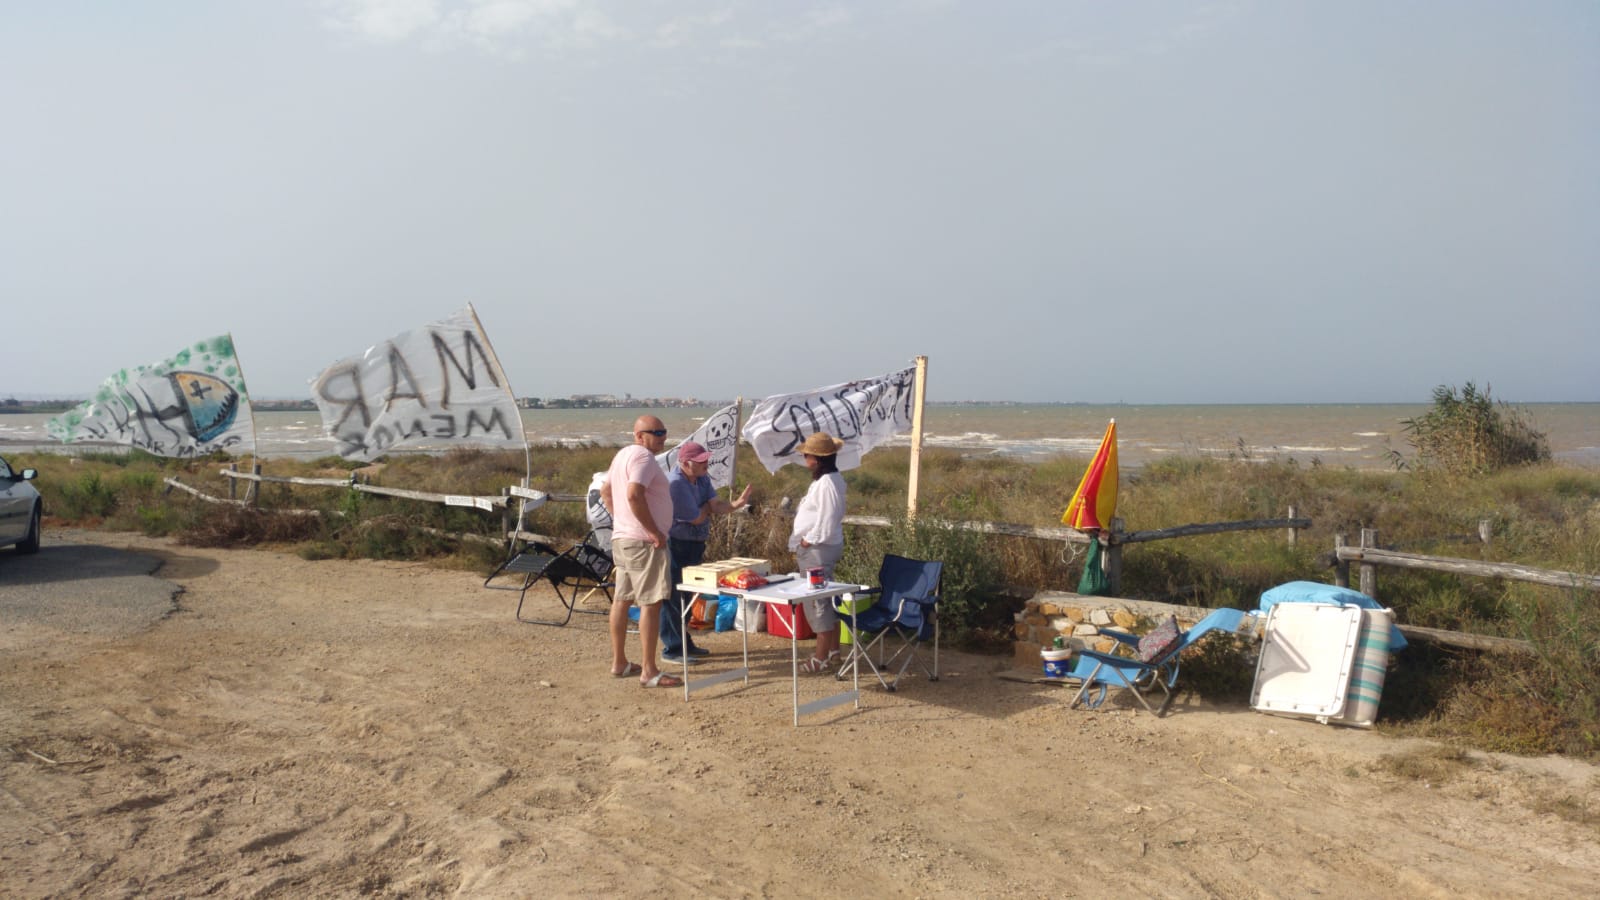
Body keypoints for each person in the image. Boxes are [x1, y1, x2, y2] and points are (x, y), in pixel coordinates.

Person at [600, 415, 680, 688]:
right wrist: (654, 531)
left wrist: (620, 519)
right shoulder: (644, 458)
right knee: (651, 602)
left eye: (664, 431)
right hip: (643, 542)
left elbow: (606, 491)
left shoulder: (622, 456)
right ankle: (649, 670)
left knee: (622, 599)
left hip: (624, 539)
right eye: (655, 432)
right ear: (639, 435)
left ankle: (620, 662)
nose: (662, 437)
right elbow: (634, 494)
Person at [663, 441, 753, 663]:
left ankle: (684, 642)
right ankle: (673, 648)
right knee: (673, 595)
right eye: (701, 461)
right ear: (685, 463)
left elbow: (716, 504)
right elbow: (697, 517)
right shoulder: (676, 483)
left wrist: (736, 504)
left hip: (694, 543)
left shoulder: (701, 477)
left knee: (687, 594)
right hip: (677, 543)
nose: (707, 464)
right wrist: (707, 508)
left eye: (706, 460)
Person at [788, 432, 847, 673]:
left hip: (817, 550)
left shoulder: (827, 483)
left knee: (817, 600)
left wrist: (807, 541)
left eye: (807, 454)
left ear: (817, 458)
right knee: (824, 597)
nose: (804, 457)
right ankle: (832, 651)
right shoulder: (828, 480)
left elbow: (827, 519)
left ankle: (821, 656)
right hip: (819, 548)